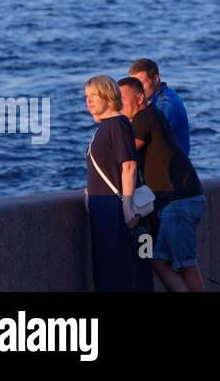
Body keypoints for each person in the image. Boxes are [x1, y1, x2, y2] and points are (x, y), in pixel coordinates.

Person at [119, 77, 206, 292]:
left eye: (121, 100)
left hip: (179, 200)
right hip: (176, 201)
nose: (117, 105)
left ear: (139, 98)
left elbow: (124, 155)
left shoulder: (144, 117)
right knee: (159, 262)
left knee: (186, 266)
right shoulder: (153, 115)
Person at [83, 75, 152, 292]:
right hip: (104, 208)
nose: (89, 100)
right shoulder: (106, 126)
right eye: (86, 96)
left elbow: (129, 165)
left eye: (93, 95)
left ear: (107, 94)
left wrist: (126, 206)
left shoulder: (117, 124)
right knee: (114, 267)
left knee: (119, 269)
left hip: (116, 210)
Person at [128, 58, 190, 156]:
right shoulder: (150, 99)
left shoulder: (166, 104)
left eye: (140, 84)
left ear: (156, 79)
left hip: (172, 167)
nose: (136, 90)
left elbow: (140, 139)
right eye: (133, 85)